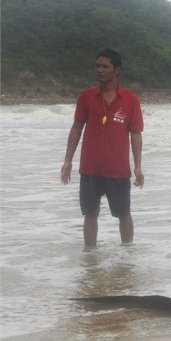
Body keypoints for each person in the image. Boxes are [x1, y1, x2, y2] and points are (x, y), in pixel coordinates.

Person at [60, 49, 144, 246]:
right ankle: (90, 256)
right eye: (98, 66)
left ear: (117, 70)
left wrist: (138, 167)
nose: (100, 70)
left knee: (123, 213)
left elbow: (136, 134)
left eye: (105, 66)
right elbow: (77, 127)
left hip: (118, 170)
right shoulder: (87, 96)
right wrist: (67, 160)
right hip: (90, 169)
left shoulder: (131, 100)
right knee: (90, 213)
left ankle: (127, 255)